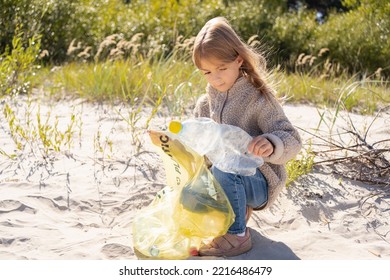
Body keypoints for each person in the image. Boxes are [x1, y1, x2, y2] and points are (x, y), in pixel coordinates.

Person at [192, 17, 302, 257]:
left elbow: (292, 138)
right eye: (207, 72)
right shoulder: (204, 104)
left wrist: (273, 143)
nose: (216, 78)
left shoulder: (258, 98)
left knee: (225, 167)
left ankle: (237, 235)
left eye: (222, 68)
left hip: (260, 180)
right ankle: (230, 213)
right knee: (190, 191)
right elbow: (198, 145)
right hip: (223, 179)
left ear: (238, 60)